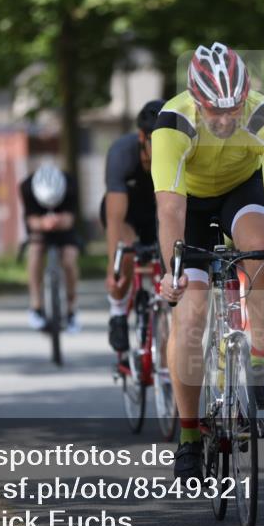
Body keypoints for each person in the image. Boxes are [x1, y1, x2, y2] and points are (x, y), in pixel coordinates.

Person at [152, 42, 264, 482]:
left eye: (233, 110)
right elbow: (169, 211)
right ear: (195, 100)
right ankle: (188, 436)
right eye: (214, 111)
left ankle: (260, 360)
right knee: (191, 313)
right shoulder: (172, 122)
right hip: (189, 203)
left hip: (241, 193)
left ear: (246, 99)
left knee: (261, 251)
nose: (225, 121)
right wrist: (173, 271)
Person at [100, 99, 165, 358]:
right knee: (124, 255)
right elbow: (115, 218)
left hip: (159, 213)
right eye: (156, 143)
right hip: (126, 214)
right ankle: (117, 312)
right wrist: (113, 267)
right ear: (142, 137)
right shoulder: (121, 154)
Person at [19, 162, 81, 333]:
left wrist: (59, 221)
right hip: (39, 228)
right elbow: (30, 220)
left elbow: (70, 219)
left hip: (65, 228)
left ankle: (71, 309)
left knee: (69, 259)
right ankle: (36, 305)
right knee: (35, 251)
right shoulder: (26, 187)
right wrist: (42, 223)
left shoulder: (70, 184)